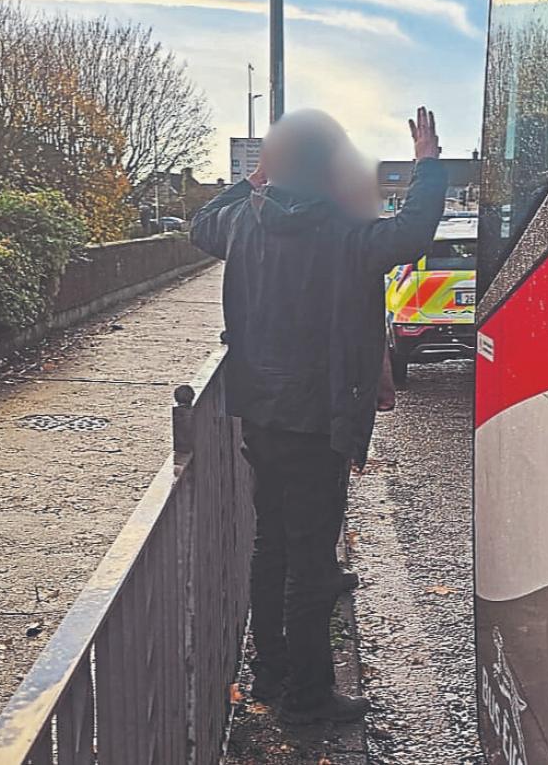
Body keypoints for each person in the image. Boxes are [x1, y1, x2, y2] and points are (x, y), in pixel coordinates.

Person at [190, 107, 446, 725]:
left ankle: (271, 670)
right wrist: (428, 163)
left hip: (261, 412)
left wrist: (247, 184)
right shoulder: (345, 232)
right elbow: (412, 232)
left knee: (269, 545)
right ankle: (307, 699)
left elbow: (198, 226)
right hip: (319, 416)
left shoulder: (241, 225)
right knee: (310, 562)